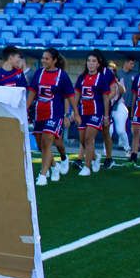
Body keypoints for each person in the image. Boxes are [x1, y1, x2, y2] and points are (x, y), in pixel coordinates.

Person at [27, 48, 80, 186]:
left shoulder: (62, 75)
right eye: (43, 58)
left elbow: (70, 96)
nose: (43, 60)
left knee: (47, 141)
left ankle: (43, 175)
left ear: (54, 60)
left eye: (47, 58)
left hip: (54, 114)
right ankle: (55, 166)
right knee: (41, 146)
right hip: (39, 114)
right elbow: (32, 93)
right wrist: (24, 110)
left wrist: (74, 113)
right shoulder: (38, 73)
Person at [74, 51, 112, 176]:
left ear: (98, 64)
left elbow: (106, 98)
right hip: (83, 112)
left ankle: (87, 167)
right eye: (89, 60)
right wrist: (74, 112)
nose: (91, 63)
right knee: (82, 140)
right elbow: (77, 96)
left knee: (89, 139)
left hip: (96, 113)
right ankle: (95, 158)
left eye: (94, 61)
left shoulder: (102, 78)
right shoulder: (81, 77)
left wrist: (106, 116)